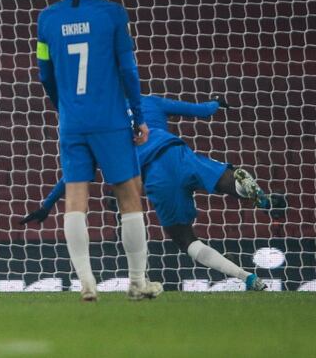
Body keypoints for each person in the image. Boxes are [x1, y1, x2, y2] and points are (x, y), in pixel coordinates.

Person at [22, 94, 286, 291]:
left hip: (155, 177)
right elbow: (200, 111)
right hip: (176, 153)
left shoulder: (99, 129)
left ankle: (248, 278)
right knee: (223, 177)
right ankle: (253, 194)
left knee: (185, 240)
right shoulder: (148, 101)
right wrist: (216, 103)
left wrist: (47, 205)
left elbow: (72, 175)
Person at [36, 0, 161, 301]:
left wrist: (64, 107)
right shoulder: (113, 15)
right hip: (109, 119)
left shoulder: (47, 19)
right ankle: (137, 281)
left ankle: (86, 281)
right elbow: (128, 69)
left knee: (76, 197)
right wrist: (138, 116)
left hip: (72, 120)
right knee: (129, 196)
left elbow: (44, 72)